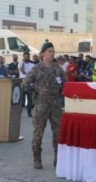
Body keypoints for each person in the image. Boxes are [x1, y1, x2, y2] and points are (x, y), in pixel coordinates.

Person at [23, 41, 66, 169]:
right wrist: (36, 92)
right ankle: (37, 159)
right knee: (38, 133)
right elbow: (25, 84)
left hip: (55, 106)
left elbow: (65, 85)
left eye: (53, 52)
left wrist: (60, 94)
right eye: (49, 52)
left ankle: (58, 159)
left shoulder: (58, 69)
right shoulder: (36, 69)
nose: (52, 54)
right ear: (43, 54)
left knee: (58, 133)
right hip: (41, 105)